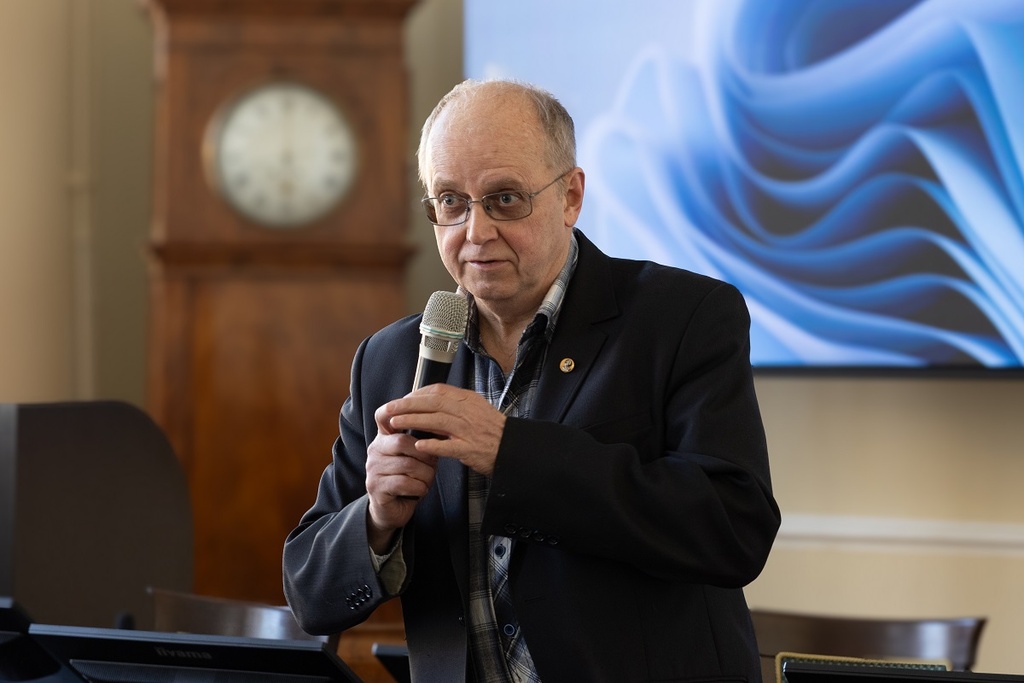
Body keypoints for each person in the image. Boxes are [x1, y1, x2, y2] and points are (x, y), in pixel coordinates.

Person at [283, 78, 781, 682]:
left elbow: (733, 530)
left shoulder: (682, 317)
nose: (475, 232)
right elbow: (310, 595)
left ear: (571, 197)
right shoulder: (389, 359)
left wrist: (512, 453)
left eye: (505, 199)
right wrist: (377, 520)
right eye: (451, 201)